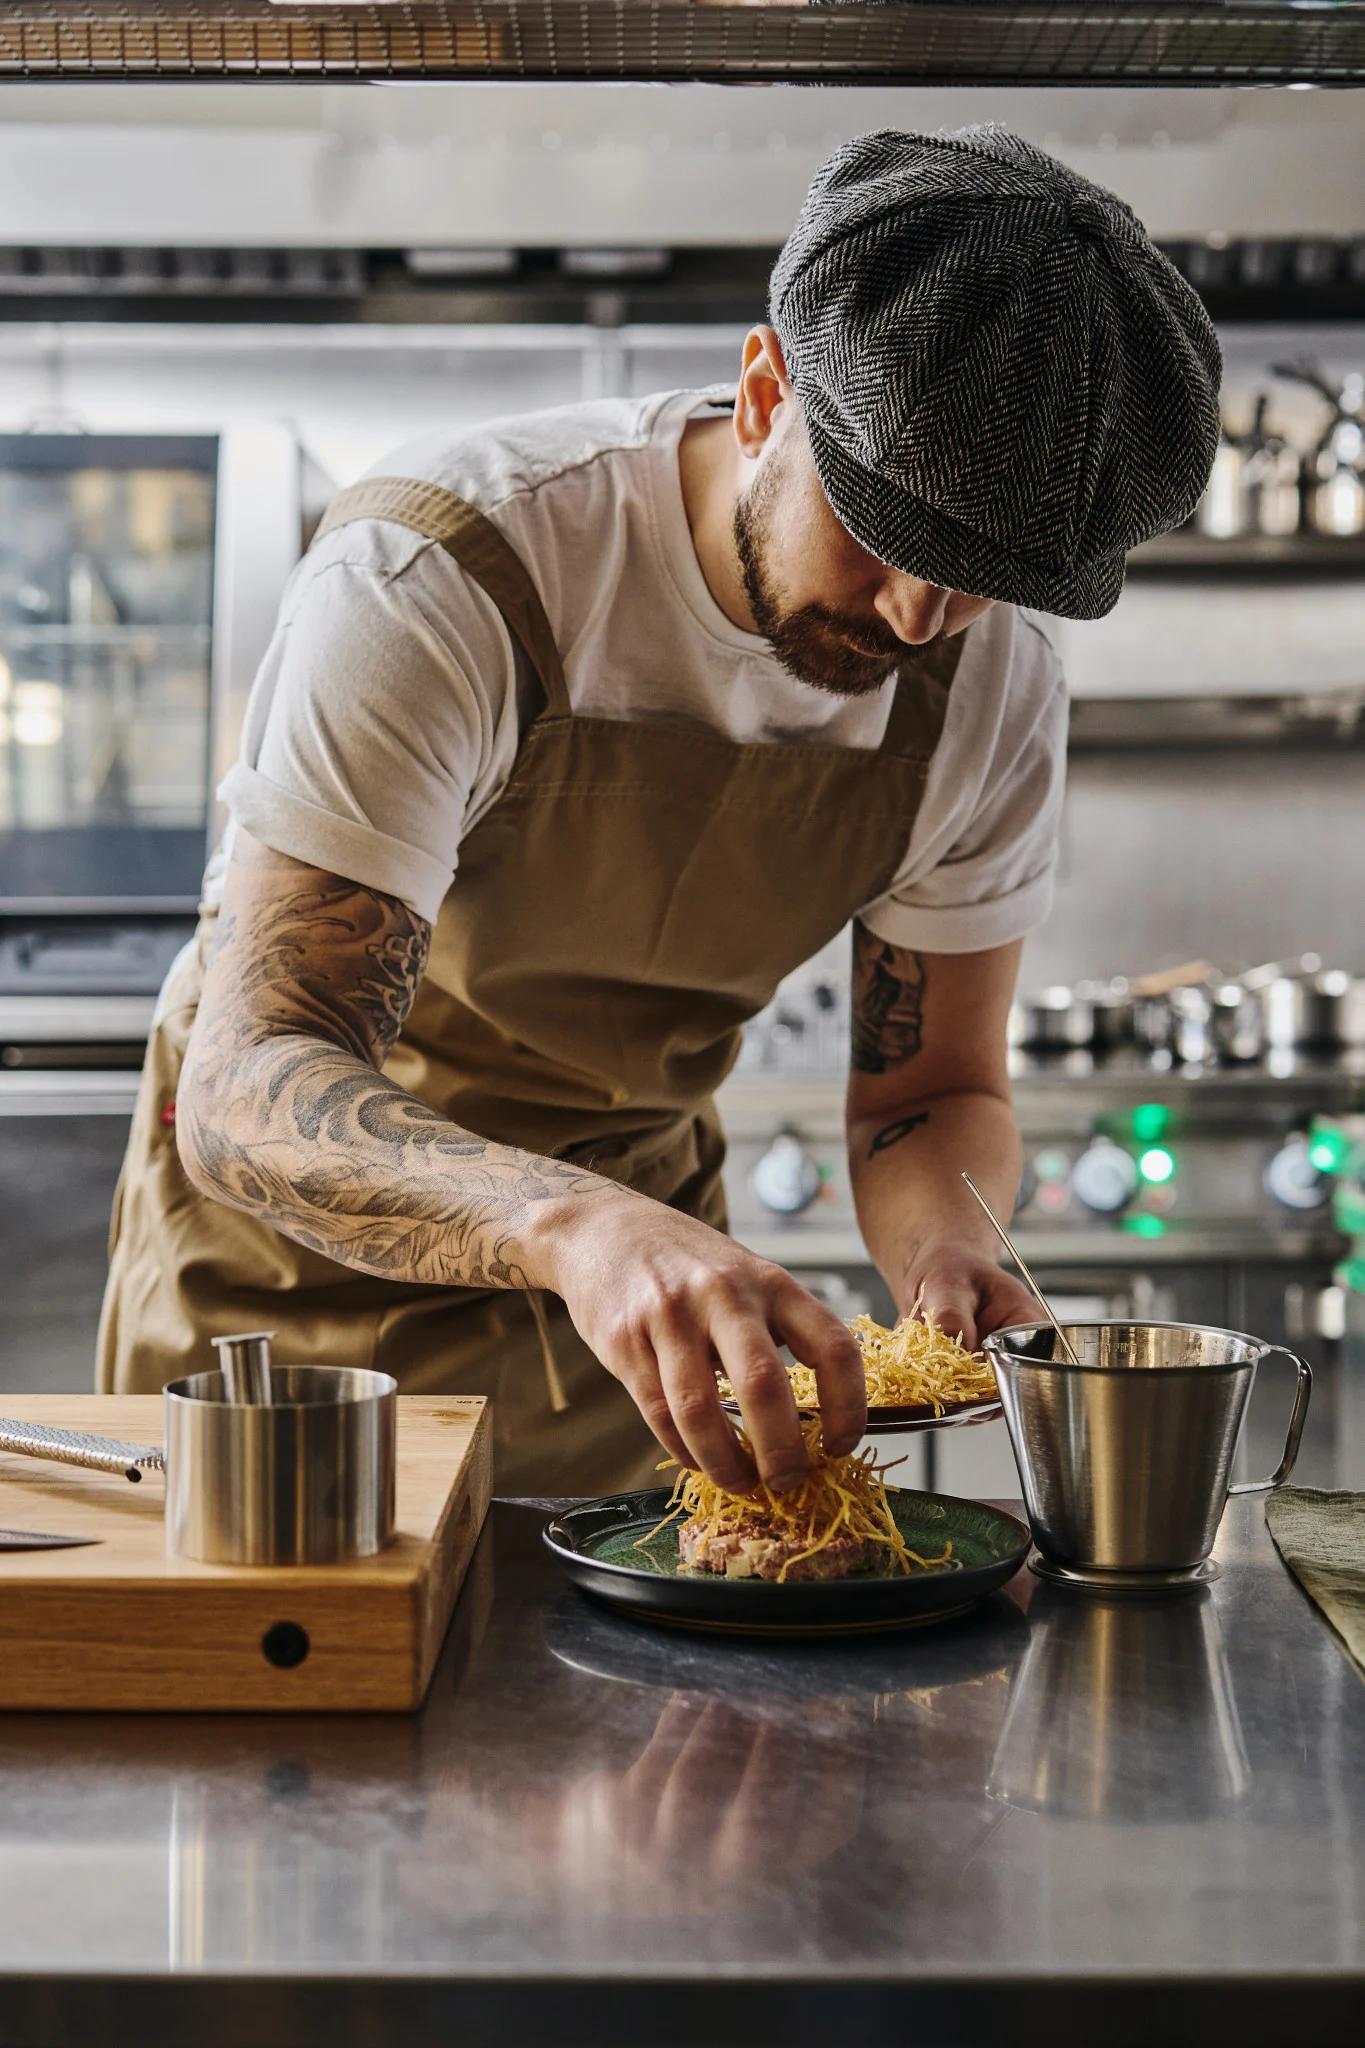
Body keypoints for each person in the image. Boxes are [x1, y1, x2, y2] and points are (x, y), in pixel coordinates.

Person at [98, 125, 1220, 1497]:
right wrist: (571, 1225)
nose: (924, 617)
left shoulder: (987, 689)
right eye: (888, 533)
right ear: (763, 393)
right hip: (289, 1340)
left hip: (638, 1357)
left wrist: (949, 1251)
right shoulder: (450, 576)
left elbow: (930, 1093)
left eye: (988, 578)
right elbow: (246, 1084)